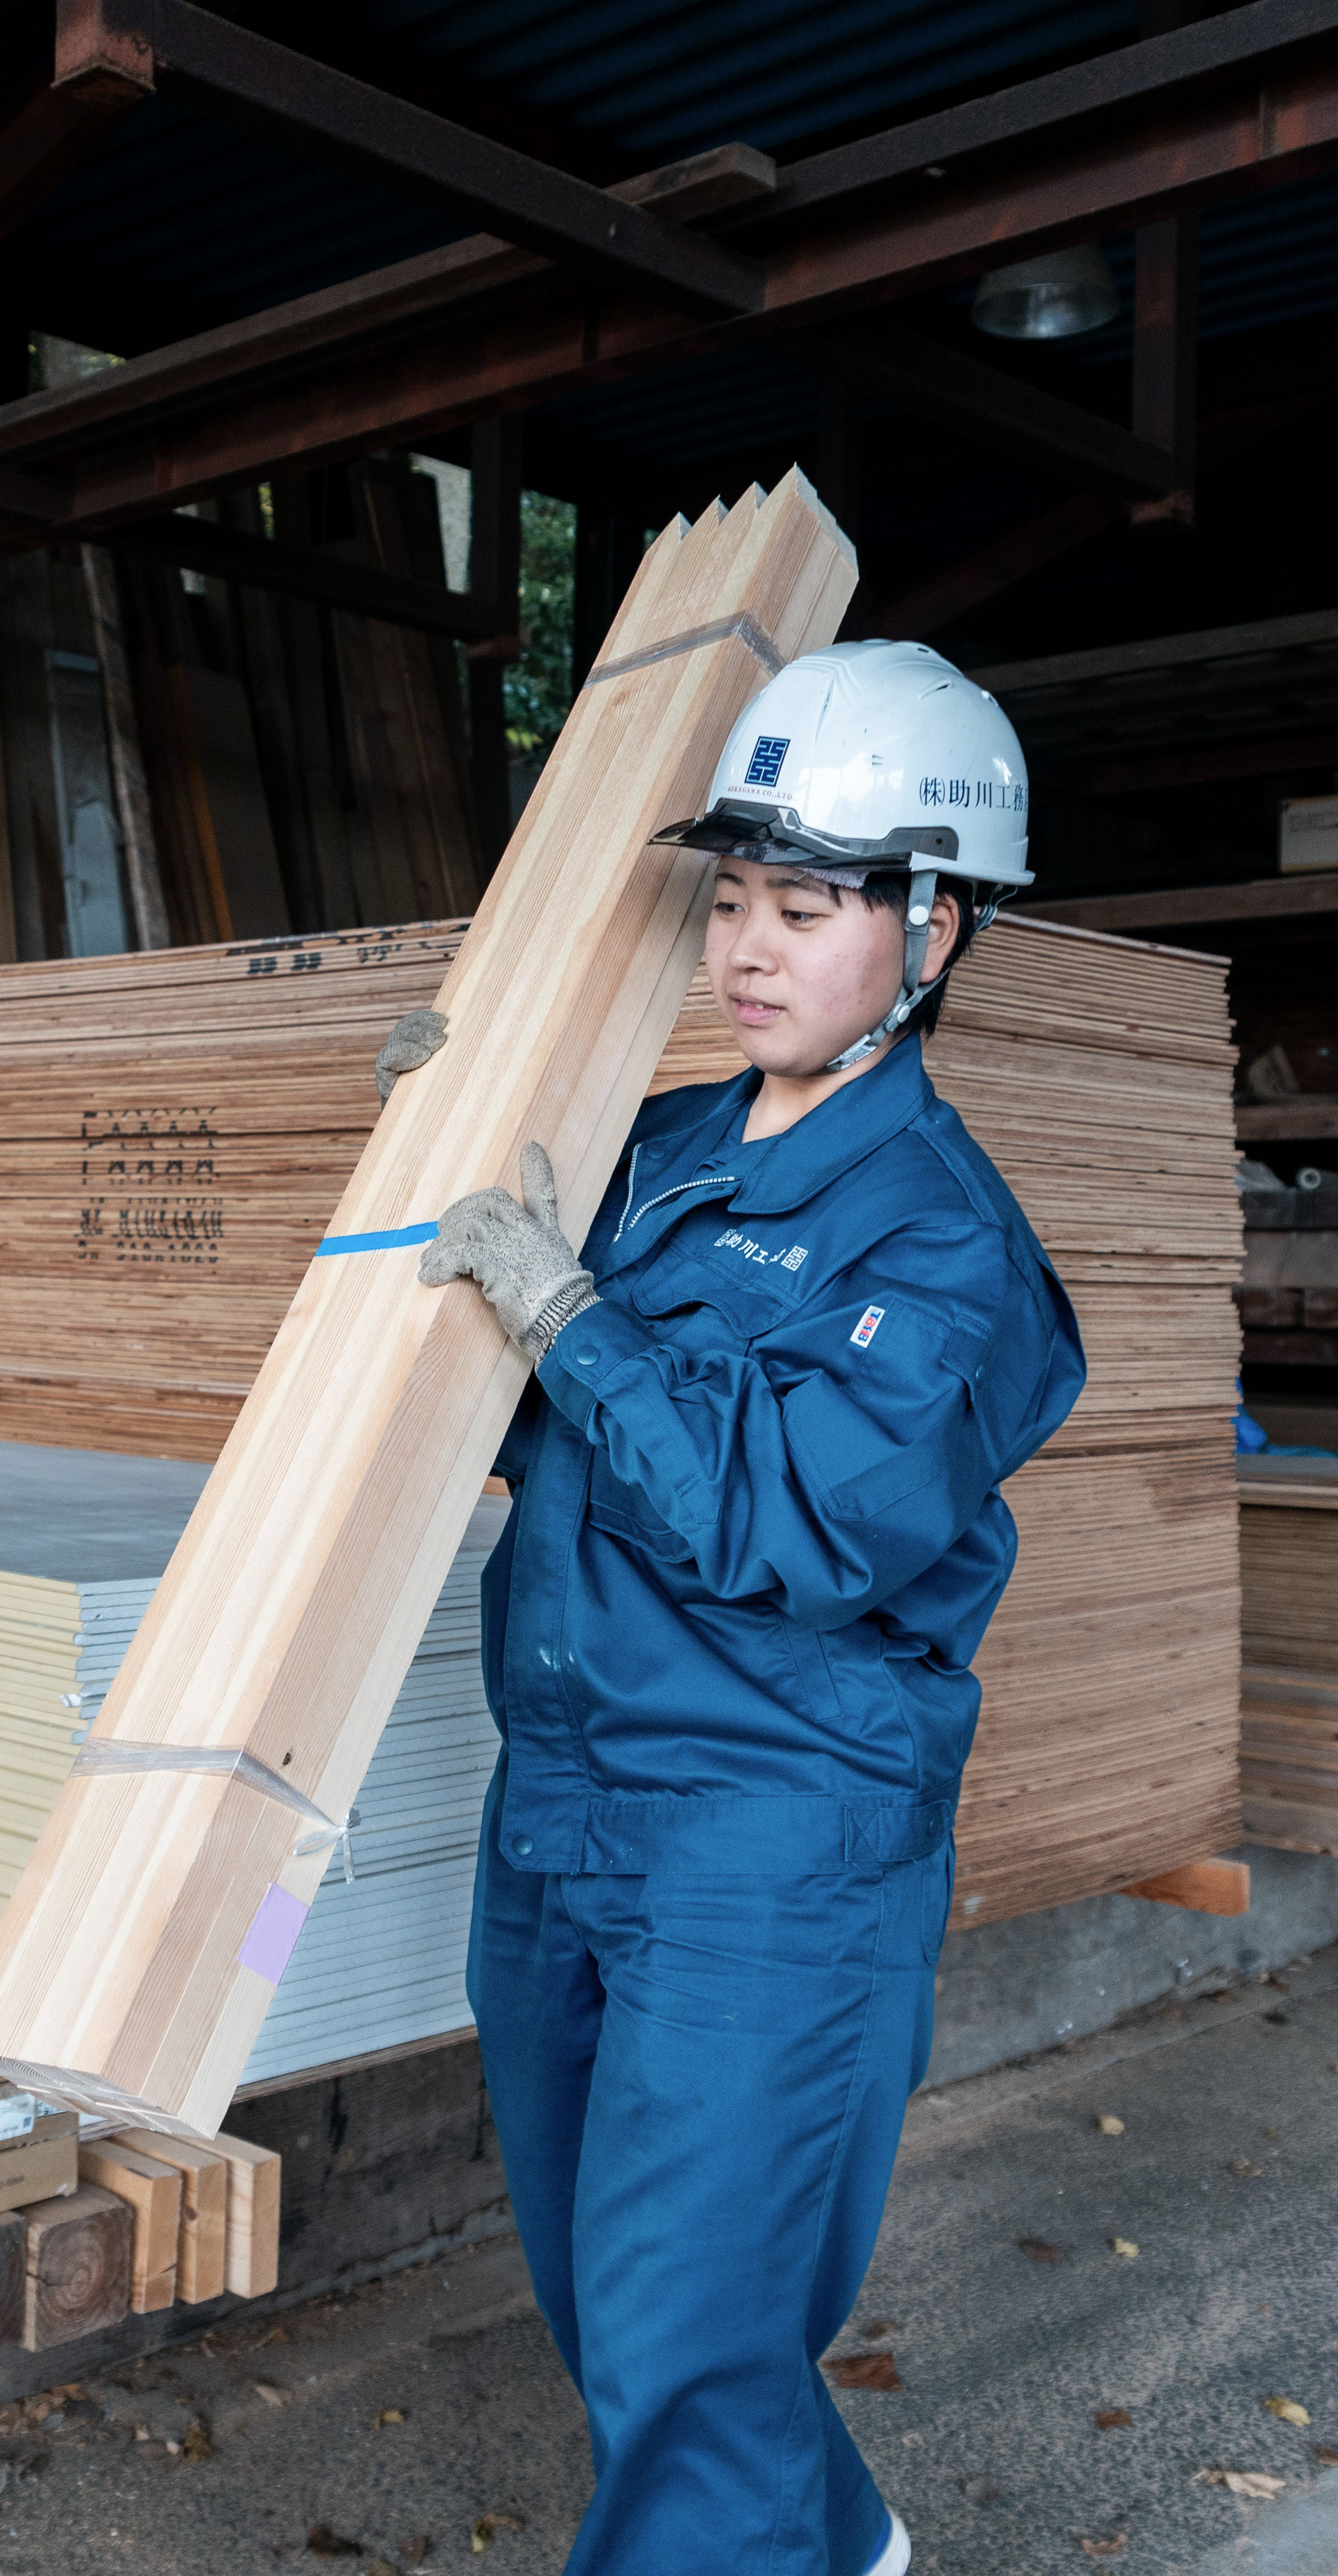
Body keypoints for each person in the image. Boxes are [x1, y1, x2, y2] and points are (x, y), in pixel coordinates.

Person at [378, 640, 1085, 2575]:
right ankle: (831, 2545)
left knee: (692, 2334)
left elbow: (787, 1523)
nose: (748, 951)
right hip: (568, 1808)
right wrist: (411, 1165)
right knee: (624, 2317)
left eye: (805, 908)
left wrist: (567, 1316)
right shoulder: (665, 1150)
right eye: (733, 904)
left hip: (774, 1837)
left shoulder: (945, 1247)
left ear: (934, 931)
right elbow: (515, 1392)